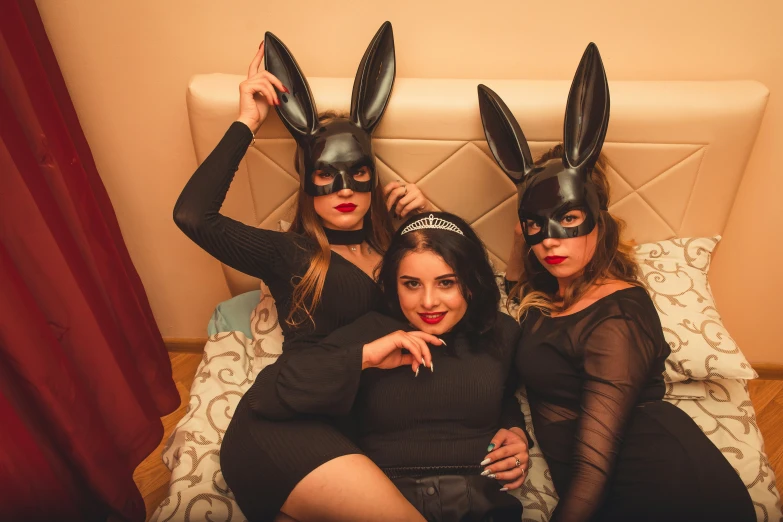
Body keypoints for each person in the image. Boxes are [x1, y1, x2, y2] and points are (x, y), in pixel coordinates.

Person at [478, 43, 756, 522]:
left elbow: (593, 464)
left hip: (665, 488)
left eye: (568, 217)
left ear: (598, 220)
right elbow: (515, 279)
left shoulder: (618, 317)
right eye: (535, 226)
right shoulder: (550, 297)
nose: (550, 240)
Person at [174, 22, 438, 521]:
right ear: (307, 182)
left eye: (358, 172)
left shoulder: (404, 253)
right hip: (283, 423)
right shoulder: (291, 254)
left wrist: (431, 219)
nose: (344, 188)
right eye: (325, 174)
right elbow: (192, 216)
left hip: (347, 431)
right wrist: (245, 122)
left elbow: (470, 294)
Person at [251, 212, 531, 521]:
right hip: (381, 501)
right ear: (393, 284)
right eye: (411, 284)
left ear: (472, 282)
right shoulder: (370, 331)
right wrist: (365, 357)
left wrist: (516, 432)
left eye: (446, 283)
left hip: (481, 503)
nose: (428, 302)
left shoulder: (502, 332)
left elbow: (504, 394)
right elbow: (266, 396)